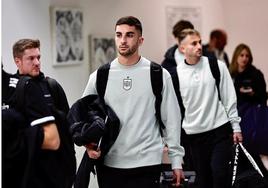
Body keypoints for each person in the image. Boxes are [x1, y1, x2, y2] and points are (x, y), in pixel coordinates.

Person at [82, 16, 185, 188]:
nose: (123, 40)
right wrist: (88, 144)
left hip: (147, 163)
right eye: (118, 35)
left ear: (140, 39)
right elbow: (84, 116)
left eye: (129, 35)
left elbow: (172, 120)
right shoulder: (100, 76)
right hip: (110, 164)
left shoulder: (159, 74)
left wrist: (176, 161)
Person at [3, 39, 76, 188]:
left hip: (55, 169)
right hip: (29, 170)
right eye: (31, 58)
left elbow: (69, 126)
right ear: (18, 62)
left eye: (38, 57)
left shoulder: (52, 86)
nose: (37, 62)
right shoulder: (12, 91)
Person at [176, 29, 243, 188]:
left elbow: (229, 98)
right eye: (194, 43)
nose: (199, 46)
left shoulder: (216, 65)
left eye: (200, 42)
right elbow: (174, 111)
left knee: (219, 173)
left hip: (219, 129)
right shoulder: (175, 74)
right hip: (194, 135)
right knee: (203, 180)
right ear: (182, 48)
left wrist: (236, 126)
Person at [161, 19, 195, 171]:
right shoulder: (168, 62)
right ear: (176, 38)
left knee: (203, 162)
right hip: (180, 116)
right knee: (186, 160)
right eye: (182, 36)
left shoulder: (204, 58)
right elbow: (163, 93)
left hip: (200, 116)